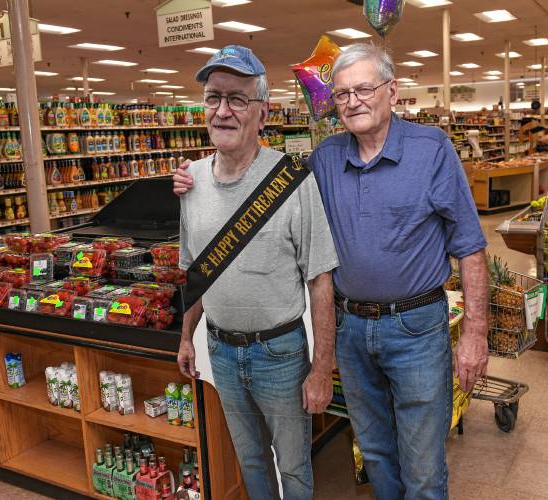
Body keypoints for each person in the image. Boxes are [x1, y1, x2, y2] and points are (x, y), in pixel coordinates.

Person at [174, 43, 489, 500]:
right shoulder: (323, 159)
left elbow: (470, 247)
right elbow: (256, 173)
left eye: (364, 89)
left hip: (417, 327)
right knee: (375, 451)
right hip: (352, 328)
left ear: (393, 91)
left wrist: (476, 331)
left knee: (422, 462)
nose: (353, 102)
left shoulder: (432, 150)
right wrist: (188, 176)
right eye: (342, 94)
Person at [176, 45, 339, 500]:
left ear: (262, 113)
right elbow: (195, 273)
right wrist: (187, 336)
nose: (222, 111)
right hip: (221, 351)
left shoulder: (293, 180)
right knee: (249, 460)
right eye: (213, 97)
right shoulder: (191, 183)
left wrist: (322, 367)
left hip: (281, 355)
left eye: (238, 99)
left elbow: (321, 279)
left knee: (294, 467)